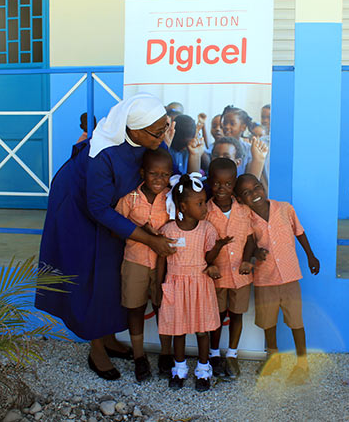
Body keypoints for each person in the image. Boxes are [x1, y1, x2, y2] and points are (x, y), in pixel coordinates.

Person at [36, 93, 177, 381]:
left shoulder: (151, 140)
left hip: (113, 210)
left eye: (165, 127)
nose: (162, 136)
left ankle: (109, 337)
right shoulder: (103, 154)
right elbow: (98, 208)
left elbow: (168, 173)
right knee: (92, 276)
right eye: (157, 132)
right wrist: (149, 239)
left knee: (113, 272)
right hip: (78, 209)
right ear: (133, 130)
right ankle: (97, 348)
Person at [234, 174, 320, 385]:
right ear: (240, 199)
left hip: (290, 276)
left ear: (263, 186)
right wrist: (255, 254)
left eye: (257, 187)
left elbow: (299, 232)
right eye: (247, 192)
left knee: (296, 321)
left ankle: (302, 364)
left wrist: (311, 256)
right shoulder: (246, 218)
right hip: (265, 278)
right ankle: (273, 358)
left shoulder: (284, 208)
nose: (254, 194)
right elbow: (249, 244)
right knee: (268, 322)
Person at [156, 173, 232, 392]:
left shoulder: (207, 229)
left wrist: (218, 246)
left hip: (200, 285)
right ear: (183, 206)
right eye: (199, 203)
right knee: (178, 330)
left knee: (202, 330)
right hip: (176, 285)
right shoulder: (169, 230)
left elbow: (208, 257)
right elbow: (161, 259)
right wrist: (157, 286)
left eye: (204, 202)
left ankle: (203, 369)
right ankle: (179, 368)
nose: (205, 207)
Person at [114, 148, 174, 382]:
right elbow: (116, 227)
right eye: (153, 173)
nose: (159, 179)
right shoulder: (130, 199)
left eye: (165, 174)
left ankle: (166, 353)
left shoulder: (171, 198)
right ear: (142, 173)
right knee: (135, 308)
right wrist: (141, 232)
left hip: (164, 265)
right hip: (135, 261)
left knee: (163, 308)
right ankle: (139, 356)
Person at [205, 158, 255, 379]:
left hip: (240, 276)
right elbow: (201, 243)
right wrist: (210, 264)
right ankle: (214, 354)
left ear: (234, 183)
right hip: (216, 277)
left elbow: (250, 239)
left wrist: (247, 260)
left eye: (227, 184)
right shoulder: (205, 211)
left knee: (236, 315)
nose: (221, 188)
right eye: (216, 183)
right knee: (216, 316)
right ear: (209, 182)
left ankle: (232, 354)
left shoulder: (244, 210)